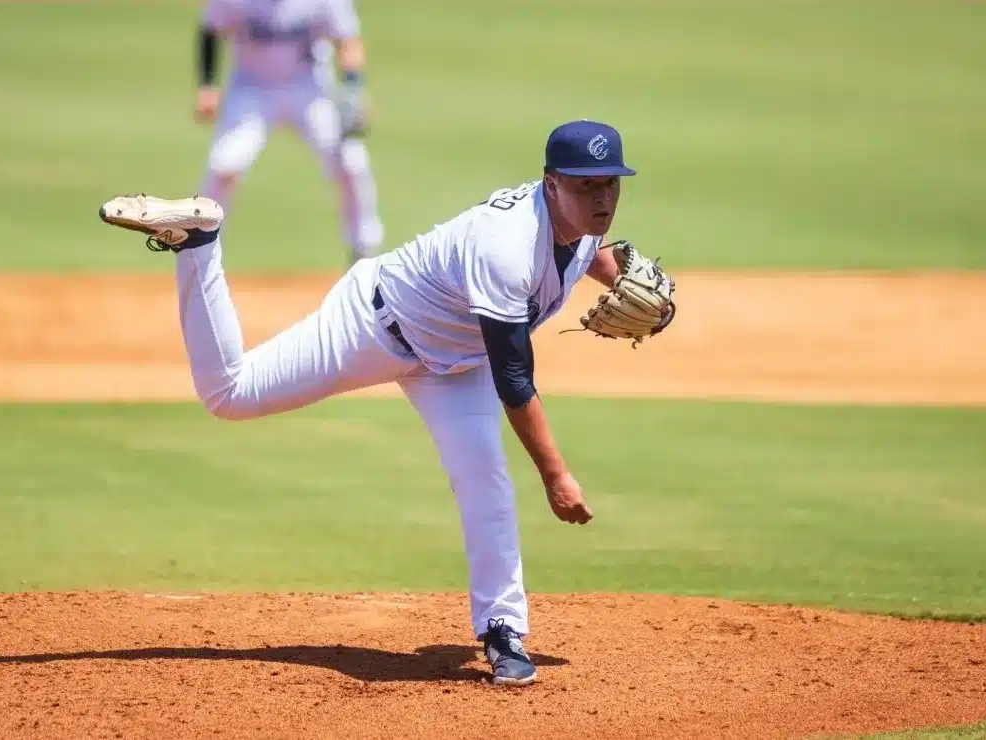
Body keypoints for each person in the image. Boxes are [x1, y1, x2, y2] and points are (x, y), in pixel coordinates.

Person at [99, 120, 638, 687]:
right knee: (228, 395)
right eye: (585, 186)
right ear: (551, 185)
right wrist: (556, 476)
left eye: (611, 185)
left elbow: (587, 248)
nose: (601, 198)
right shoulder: (506, 249)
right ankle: (200, 242)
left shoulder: (575, 224)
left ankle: (503, 631)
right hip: (373, 325)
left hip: (453, 364)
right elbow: (514, 378)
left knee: (485, 477)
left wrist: (616, 272)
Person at [195, 0, 384, 263]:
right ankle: (201, 251)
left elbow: (348, 40)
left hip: (309, 88)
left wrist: (353, 89)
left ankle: (364, 252)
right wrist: (207, 85)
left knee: (351, 163)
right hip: (251, 88)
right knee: (223, 166)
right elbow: (211, 29)